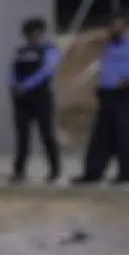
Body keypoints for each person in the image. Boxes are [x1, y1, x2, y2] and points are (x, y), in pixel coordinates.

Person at [73, 13, 129, 185]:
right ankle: (93, 172)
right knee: (100, 135)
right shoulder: (108, 47)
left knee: (123, 134)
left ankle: (125, 173)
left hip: (124, 94)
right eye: (112, 25)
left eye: (118, 25)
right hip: (106, 93)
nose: (114, 29)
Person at [8, 17, 63, 183]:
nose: (32, 37)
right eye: (29, 34)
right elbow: (12, 70)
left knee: (47, 134)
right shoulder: (20, 51)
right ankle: (19, 170)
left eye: (35, 34)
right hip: (21, 99)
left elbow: (47, 71)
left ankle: (54, 169)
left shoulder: (50, 50)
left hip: (41, 97)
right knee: (22, 137)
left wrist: (26, 85)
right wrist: (14, 85)